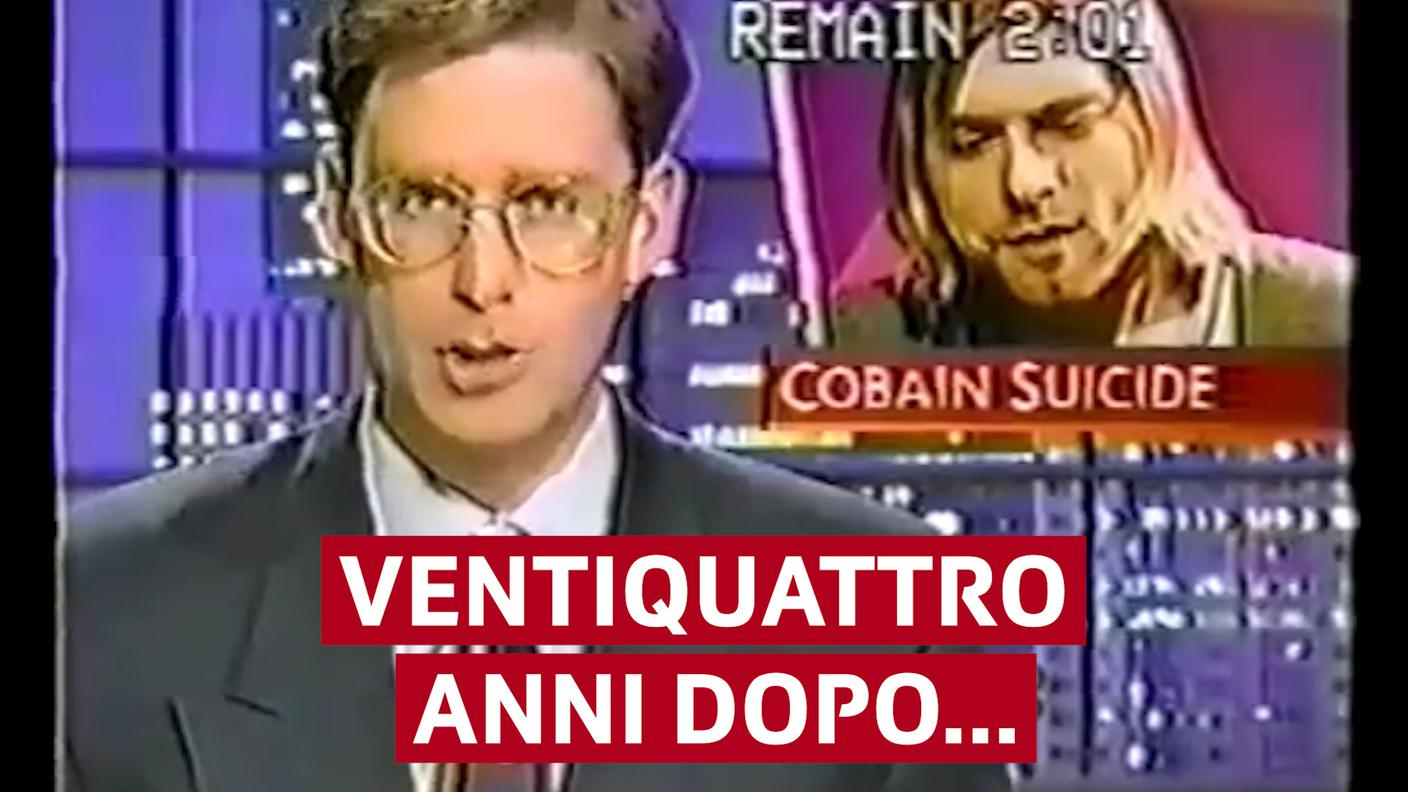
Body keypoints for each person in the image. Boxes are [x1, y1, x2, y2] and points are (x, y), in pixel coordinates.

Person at [61, 1, 1011, 791]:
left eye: (549, 205)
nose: (483, 279)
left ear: (648, 226)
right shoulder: (100, 608)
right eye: (422, 203)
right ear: (340, 222)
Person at [833, 0, 1351, 348]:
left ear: (1157, 120)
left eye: (1069, 124)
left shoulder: (1328, 317)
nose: (1024, 183)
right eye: (972, 144)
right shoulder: (859, 346)